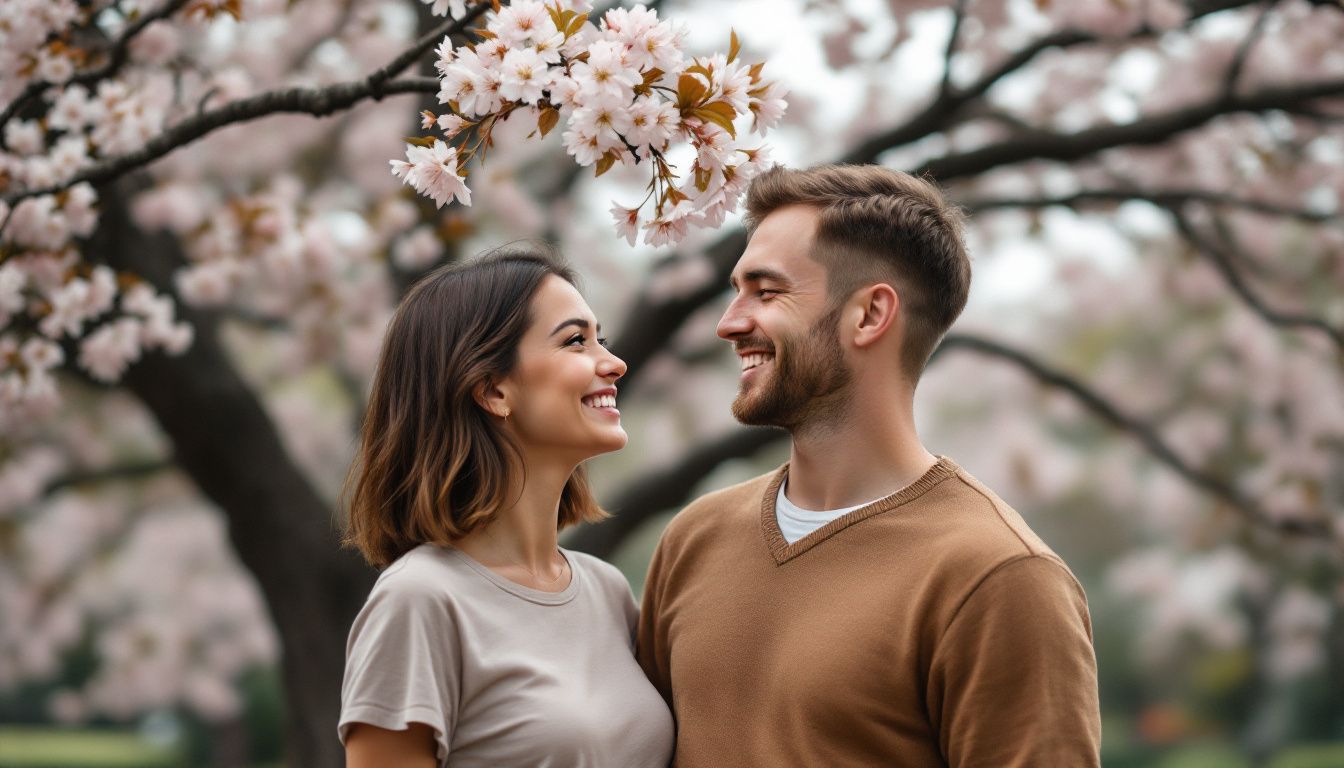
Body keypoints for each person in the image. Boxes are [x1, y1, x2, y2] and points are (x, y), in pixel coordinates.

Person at [637, 165, 1101, 767]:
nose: (729, 322)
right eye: (735, 290)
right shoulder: (694, 539)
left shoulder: (999, 576)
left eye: (767, 291)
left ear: (870, 315)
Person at [339, 246, 674, 768]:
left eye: (600, 338)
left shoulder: (606, 591)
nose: (613, 362)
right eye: (575, 341)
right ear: (493, 389)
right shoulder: (420, 601)